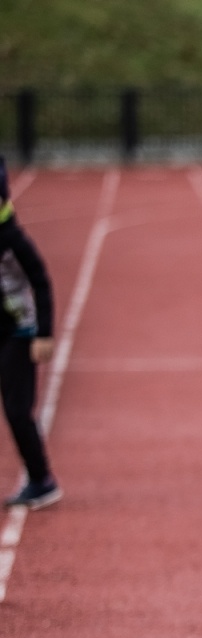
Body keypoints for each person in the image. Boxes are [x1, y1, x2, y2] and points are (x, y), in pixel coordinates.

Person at [0, 156, 60, 510]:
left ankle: (41, 479)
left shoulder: (12, 240)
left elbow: (41, 281)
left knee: (17, 409)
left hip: (19, 331)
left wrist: (44, 334)